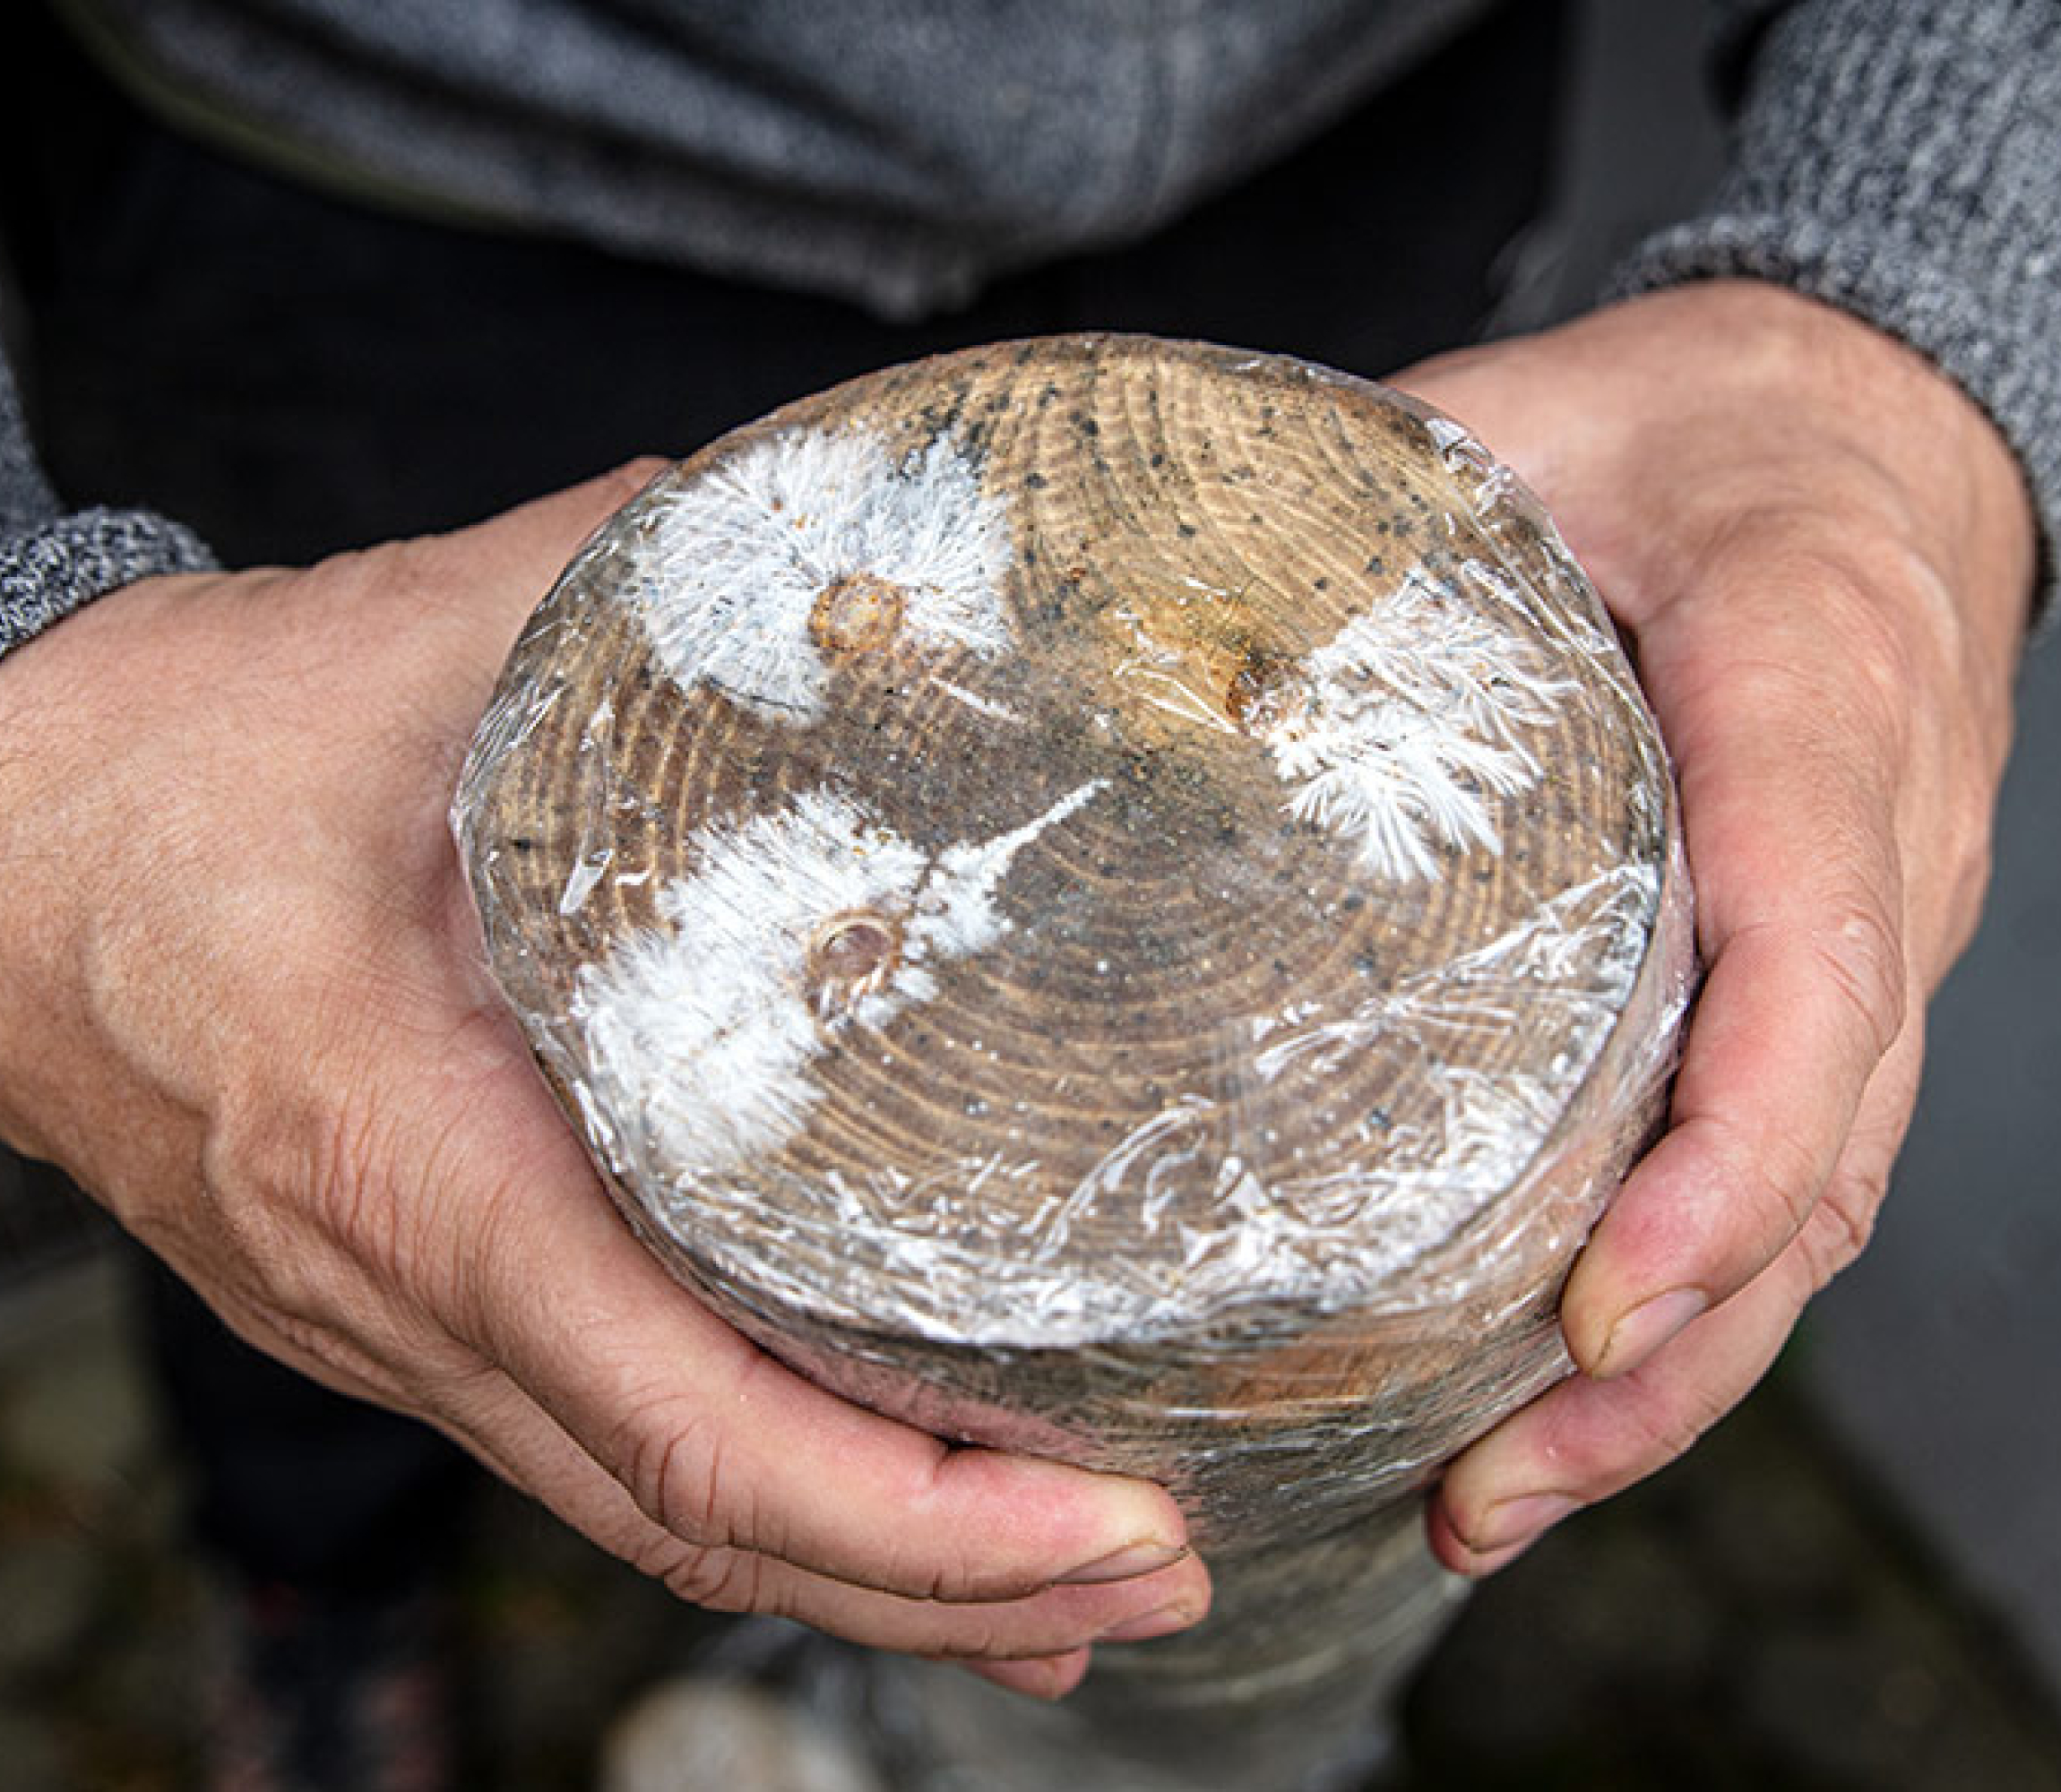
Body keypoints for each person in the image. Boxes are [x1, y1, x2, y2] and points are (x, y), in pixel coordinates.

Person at [0, 0, 2050, 1783]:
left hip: (1342, 152)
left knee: (1284, 1268)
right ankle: (314, 1576)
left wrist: (1904, 286)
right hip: (382, 201)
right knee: (310, 1114)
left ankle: (1053, 1715)